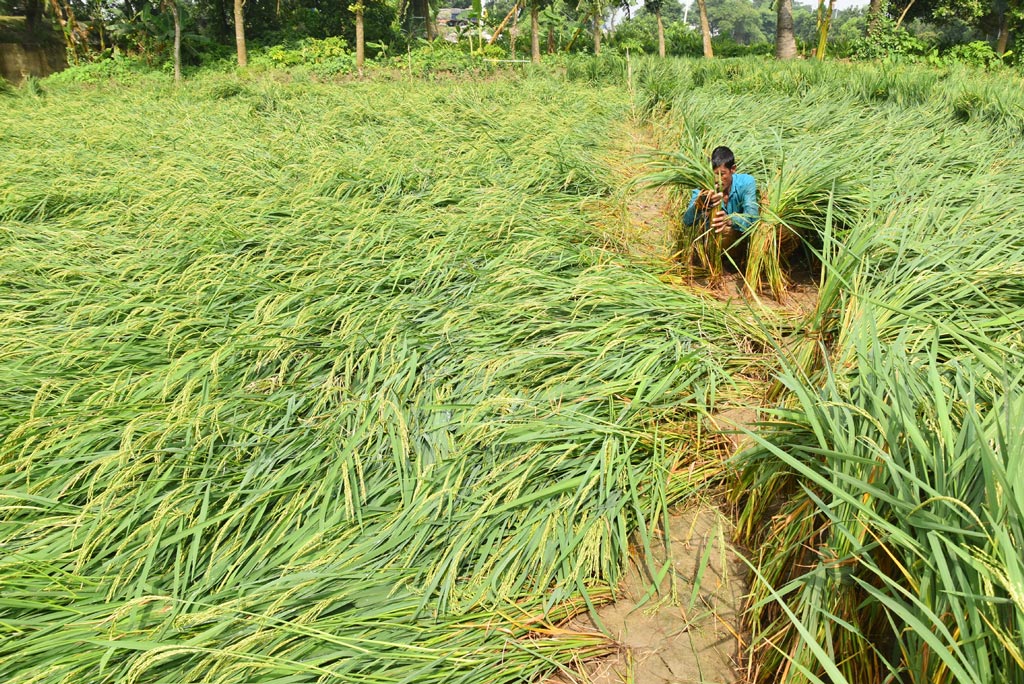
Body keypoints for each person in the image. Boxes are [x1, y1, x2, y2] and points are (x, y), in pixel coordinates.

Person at [682, 146, 759, 258]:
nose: (717, 179)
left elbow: (754, 221)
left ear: (733, 169)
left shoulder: (746, 183)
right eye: (714, 174)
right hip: (712, 243)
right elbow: (687, 221)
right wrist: (700, 205)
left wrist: (729, 219)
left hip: (740, 241)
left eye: (722, 174)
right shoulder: (703, 189)